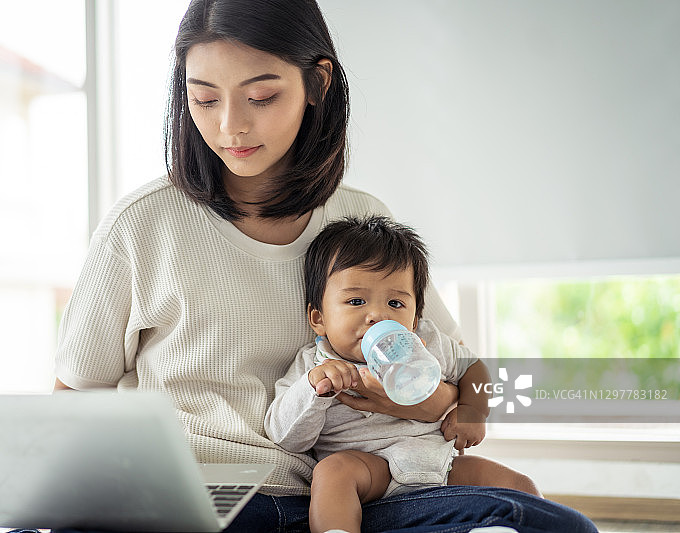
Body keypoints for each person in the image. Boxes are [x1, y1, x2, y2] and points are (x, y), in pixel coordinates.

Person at [41, 0, 598, 531]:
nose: (231, 126)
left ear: (318, 83)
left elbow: (451, 374)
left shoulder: (363, 221)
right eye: (205, 99)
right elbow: (77, 398)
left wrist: (423, 401)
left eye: (260, 96)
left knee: (553, 523)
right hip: (195, 492)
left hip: (346, 495)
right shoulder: (143, 223)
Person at [265, 216, 541, 533]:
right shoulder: (315, 363)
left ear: (414, 317)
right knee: (332, 473)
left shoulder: (427, 342)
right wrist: (314, 389)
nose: (378, 315)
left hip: (441, 464)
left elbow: (473, 368)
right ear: (318, 318)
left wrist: (473, 410)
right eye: (356, 301)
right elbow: (285, 436)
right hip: (370, 470)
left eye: (395, 302)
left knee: (521, 485)